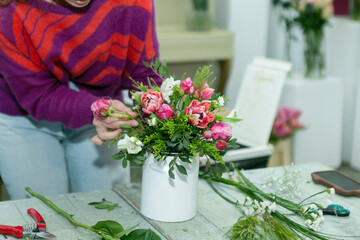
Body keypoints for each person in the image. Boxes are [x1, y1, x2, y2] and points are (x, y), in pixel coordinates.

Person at [0, 0, 161, 200]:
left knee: (110, 209)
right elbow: (40, 94)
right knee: (45, 218)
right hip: (23, 120)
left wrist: (168, 123)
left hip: (103, 113)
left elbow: (144, 71)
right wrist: (96, 109)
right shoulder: (6, 11)